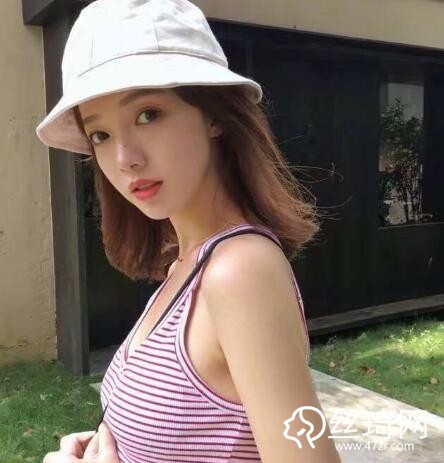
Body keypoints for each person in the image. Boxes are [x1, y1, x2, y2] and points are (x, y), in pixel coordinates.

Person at [37, 1, 342, 462]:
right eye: (100, 135)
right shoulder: (185, 264)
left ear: (213, 114)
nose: (125, 158)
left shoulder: (240, 272)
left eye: (147, 114)